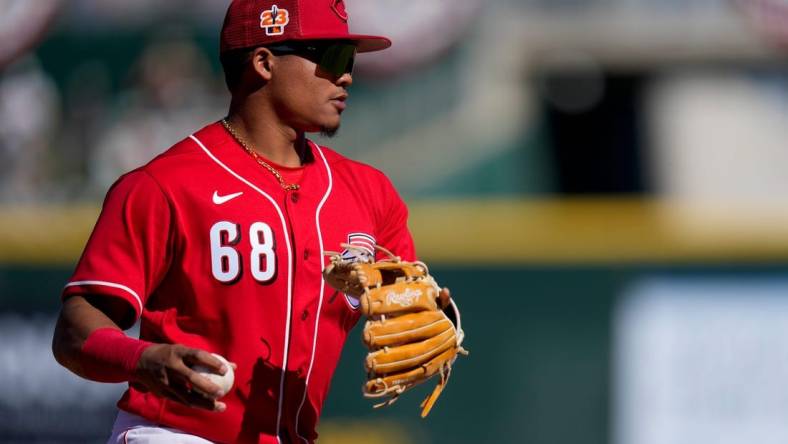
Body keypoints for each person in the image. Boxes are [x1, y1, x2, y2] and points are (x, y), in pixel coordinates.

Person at [51, 1, 415, 443]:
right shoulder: (164, 185)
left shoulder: (371, 193)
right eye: (332, 57)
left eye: (350, 60)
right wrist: (143, 359)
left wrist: (434, 317)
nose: (347, 76)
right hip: (176, 433)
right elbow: (74, 328)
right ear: (263, 62)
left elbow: (410, 305)